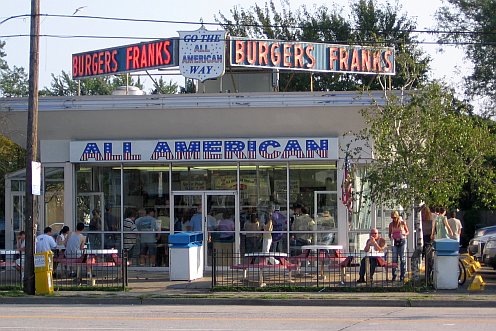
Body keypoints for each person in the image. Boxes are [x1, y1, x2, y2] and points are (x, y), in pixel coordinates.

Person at [388, 210, 409, 282]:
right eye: (392, 218)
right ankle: (394, 275)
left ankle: (402, 275)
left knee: (402, 258)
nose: (393, 219)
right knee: (394, 258)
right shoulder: (391, 224)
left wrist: (404, 234)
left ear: (397, 217)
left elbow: (407, 231)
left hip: (402, 240)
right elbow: (389, 233)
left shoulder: (402, 223)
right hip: (395, 241)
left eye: (394, 217)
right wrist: (391, 237)